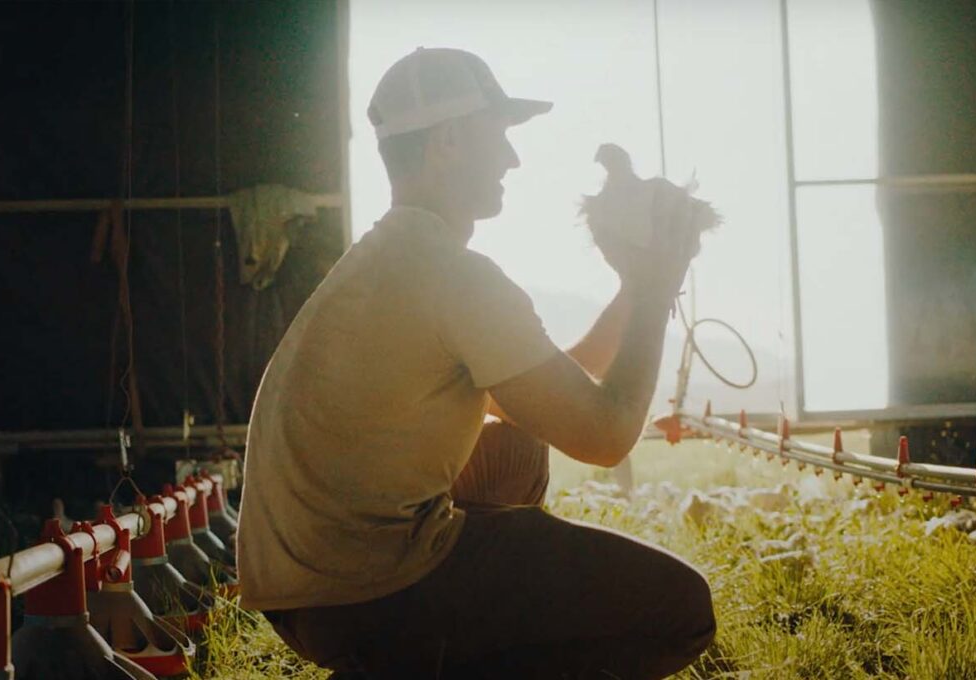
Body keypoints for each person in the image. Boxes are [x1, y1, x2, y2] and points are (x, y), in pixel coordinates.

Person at [237, 47, 715, 679]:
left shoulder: (388, 258)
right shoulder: (452, 276)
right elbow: (605, 435)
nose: (513, 159)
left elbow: (562, 380)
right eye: (501, 136)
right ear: (452, 140)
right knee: (678, 609)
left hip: (302, 593)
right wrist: (658, 286)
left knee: (515, 456)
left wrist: (634, 288)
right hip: (369, 592)